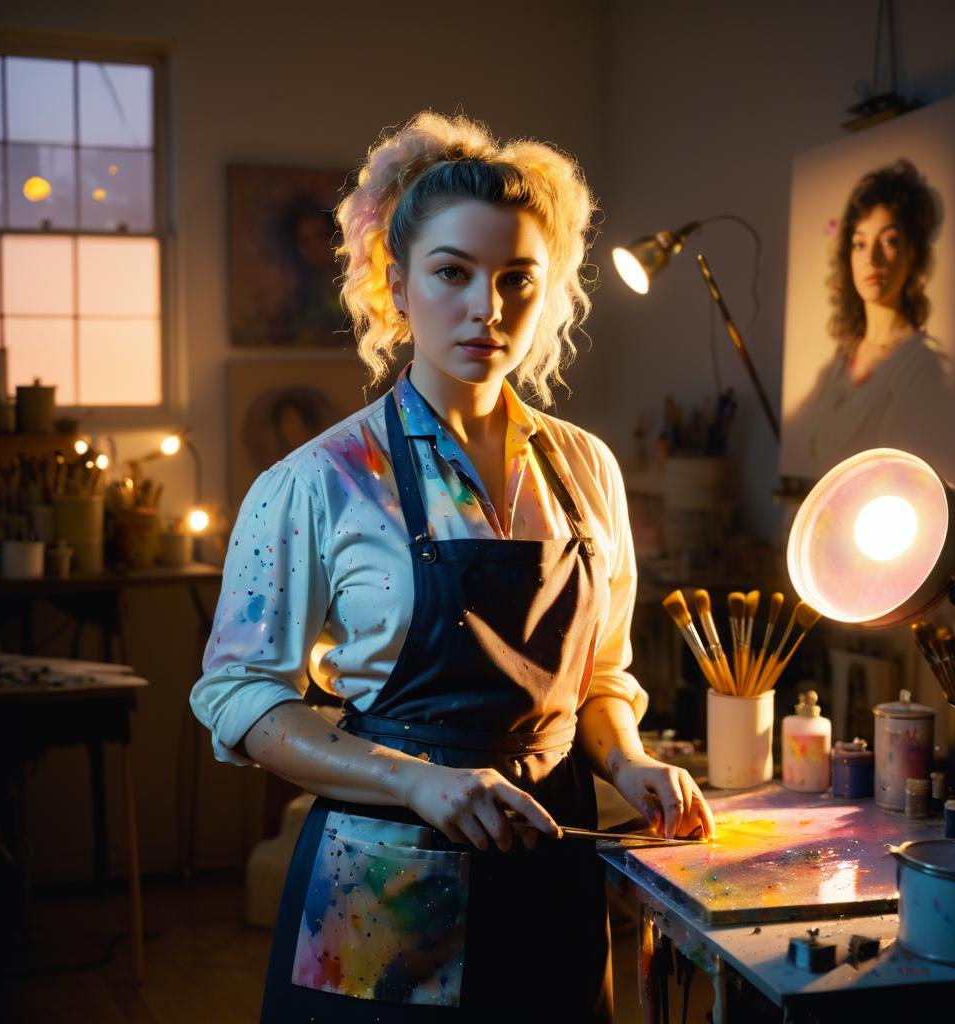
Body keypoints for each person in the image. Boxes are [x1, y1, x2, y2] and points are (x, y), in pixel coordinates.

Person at [191, 110, 713, 1023]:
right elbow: (241, 697)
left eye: (518, 280)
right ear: (397, 285)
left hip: (553, 864)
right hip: (386, 886)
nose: (488, 308)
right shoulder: (320, 480)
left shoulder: (586, 470)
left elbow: (601, 676)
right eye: (452, 273)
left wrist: (627, 761)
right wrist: (416, 781)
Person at [793, 158, 949, 476]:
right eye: (860, 244)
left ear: (912, 253)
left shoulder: (917, 364)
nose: (872, 259)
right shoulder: (839, 364)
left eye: (889, 241)